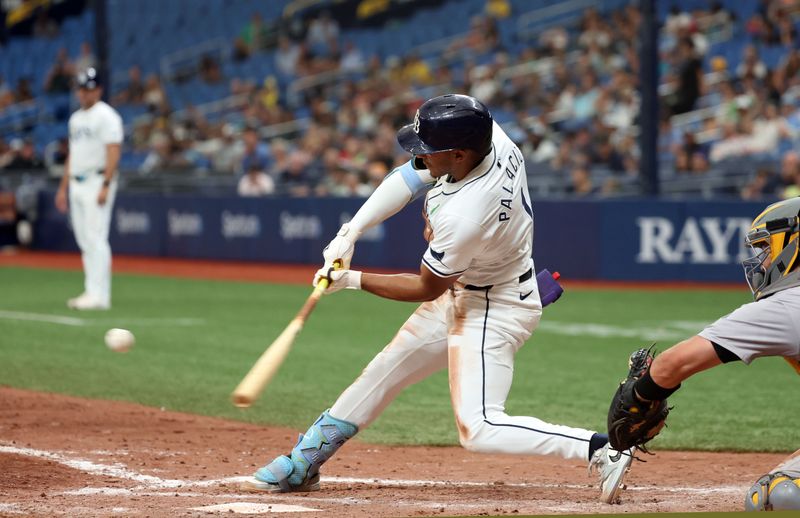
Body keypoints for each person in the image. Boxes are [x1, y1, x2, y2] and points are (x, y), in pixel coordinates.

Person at [241, 94, 633, 503]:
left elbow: (428, 287)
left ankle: (603, 448)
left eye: (431, 150)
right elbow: (409, 177)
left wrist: (352, 280)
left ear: (459, 154)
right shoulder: (490, 137)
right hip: (475, 288)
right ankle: (305, 462)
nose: (421, 155)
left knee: (480, 428)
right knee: (385, 369)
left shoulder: (466, 213)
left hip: (493, 307)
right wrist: (350, 232)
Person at [607, 196, 800, 511]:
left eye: (766, 249)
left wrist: (640, 397)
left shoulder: (787, 305)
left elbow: (673, 364)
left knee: (776, 495)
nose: (761, 261)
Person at [54, 68, 123, 310]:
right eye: (81, 89)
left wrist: (106, 183)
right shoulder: (76, 119)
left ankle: (100, 296)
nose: (84, 93)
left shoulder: (107, 116)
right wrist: (63, 188)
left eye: (89, 89)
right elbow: (73, 155)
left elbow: (113, 150)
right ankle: (91, 290)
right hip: (76, 182)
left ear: (99, 90)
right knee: (84, 239)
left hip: (97, 180)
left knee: (96, 236)